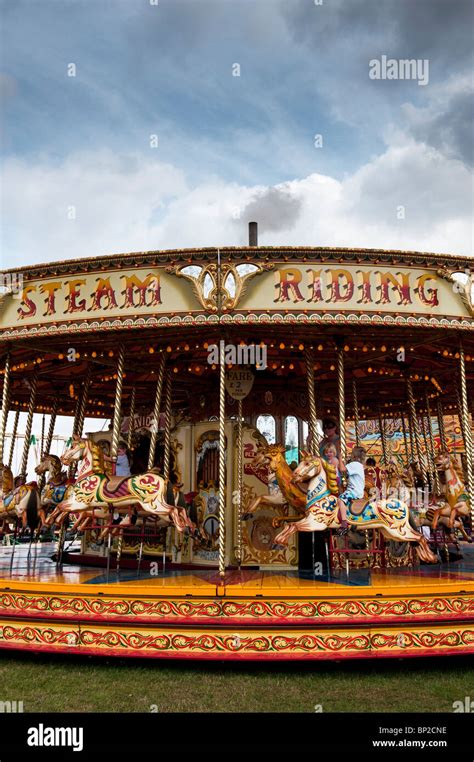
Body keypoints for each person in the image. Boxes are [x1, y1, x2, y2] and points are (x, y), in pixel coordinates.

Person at [336, 446, 367, 535]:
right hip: (358, 490)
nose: (350, 455)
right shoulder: (359, 465)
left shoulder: (355, 464)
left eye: (351, 453)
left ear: (355, 456)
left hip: (354, 491)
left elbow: (342, 469)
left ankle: (344, 522)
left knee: (341, 500)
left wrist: (340, 457)